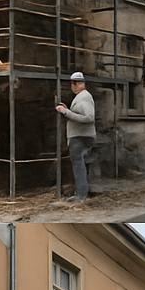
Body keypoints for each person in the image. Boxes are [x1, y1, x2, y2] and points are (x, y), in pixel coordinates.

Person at [55, 71, 96, 202]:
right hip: (81, 135)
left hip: (80, 136)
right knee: (82, 165)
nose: (72, 87)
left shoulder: (84, 97)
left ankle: (81, 196)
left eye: (73, 84)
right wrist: (68, 110)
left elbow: (89, 117)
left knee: (78, 166)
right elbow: (81, 114)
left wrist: (66, 112)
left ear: (76, 84)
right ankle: (81, 192)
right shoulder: (82, 96)